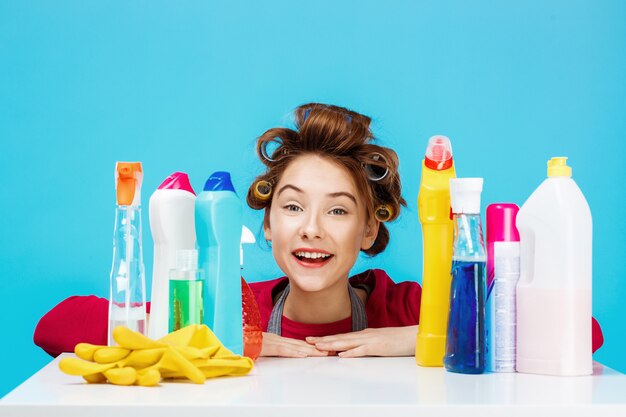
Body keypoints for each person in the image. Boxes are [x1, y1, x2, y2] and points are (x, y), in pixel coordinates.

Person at [33, 103, 604, 358]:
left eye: (336, 211)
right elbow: (55, 325)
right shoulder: (235, 310)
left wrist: (421, 337)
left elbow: (584, 332)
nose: (311, 231)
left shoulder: (401, 307)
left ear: (365, 229)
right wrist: (239, 343)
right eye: (292, 207)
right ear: (266, 222)